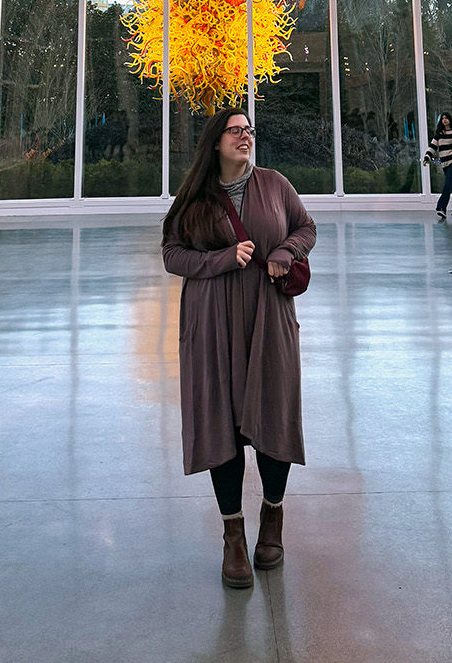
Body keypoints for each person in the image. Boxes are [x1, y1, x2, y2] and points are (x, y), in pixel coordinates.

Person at [162, 106, 316, 589]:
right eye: (235, 130)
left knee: (273, 415)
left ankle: (273, 518)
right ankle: (233, 535)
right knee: (221, 426)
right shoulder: (195, 197)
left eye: (249, 129)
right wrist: (221, 259)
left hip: (269, 321)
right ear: (216, 142)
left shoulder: (275, 184)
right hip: (212, 325)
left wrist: (285, 252)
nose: (245, 136)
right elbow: (172, 253)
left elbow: (306, 227)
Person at [424, 112, 452, 219]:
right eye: (443, 118)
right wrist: (426, 157)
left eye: (447, 118)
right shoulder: (440, 133)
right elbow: (432, 146)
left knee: (447, 184)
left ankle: (441, 207)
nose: (444, 120)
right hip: (445, 162)